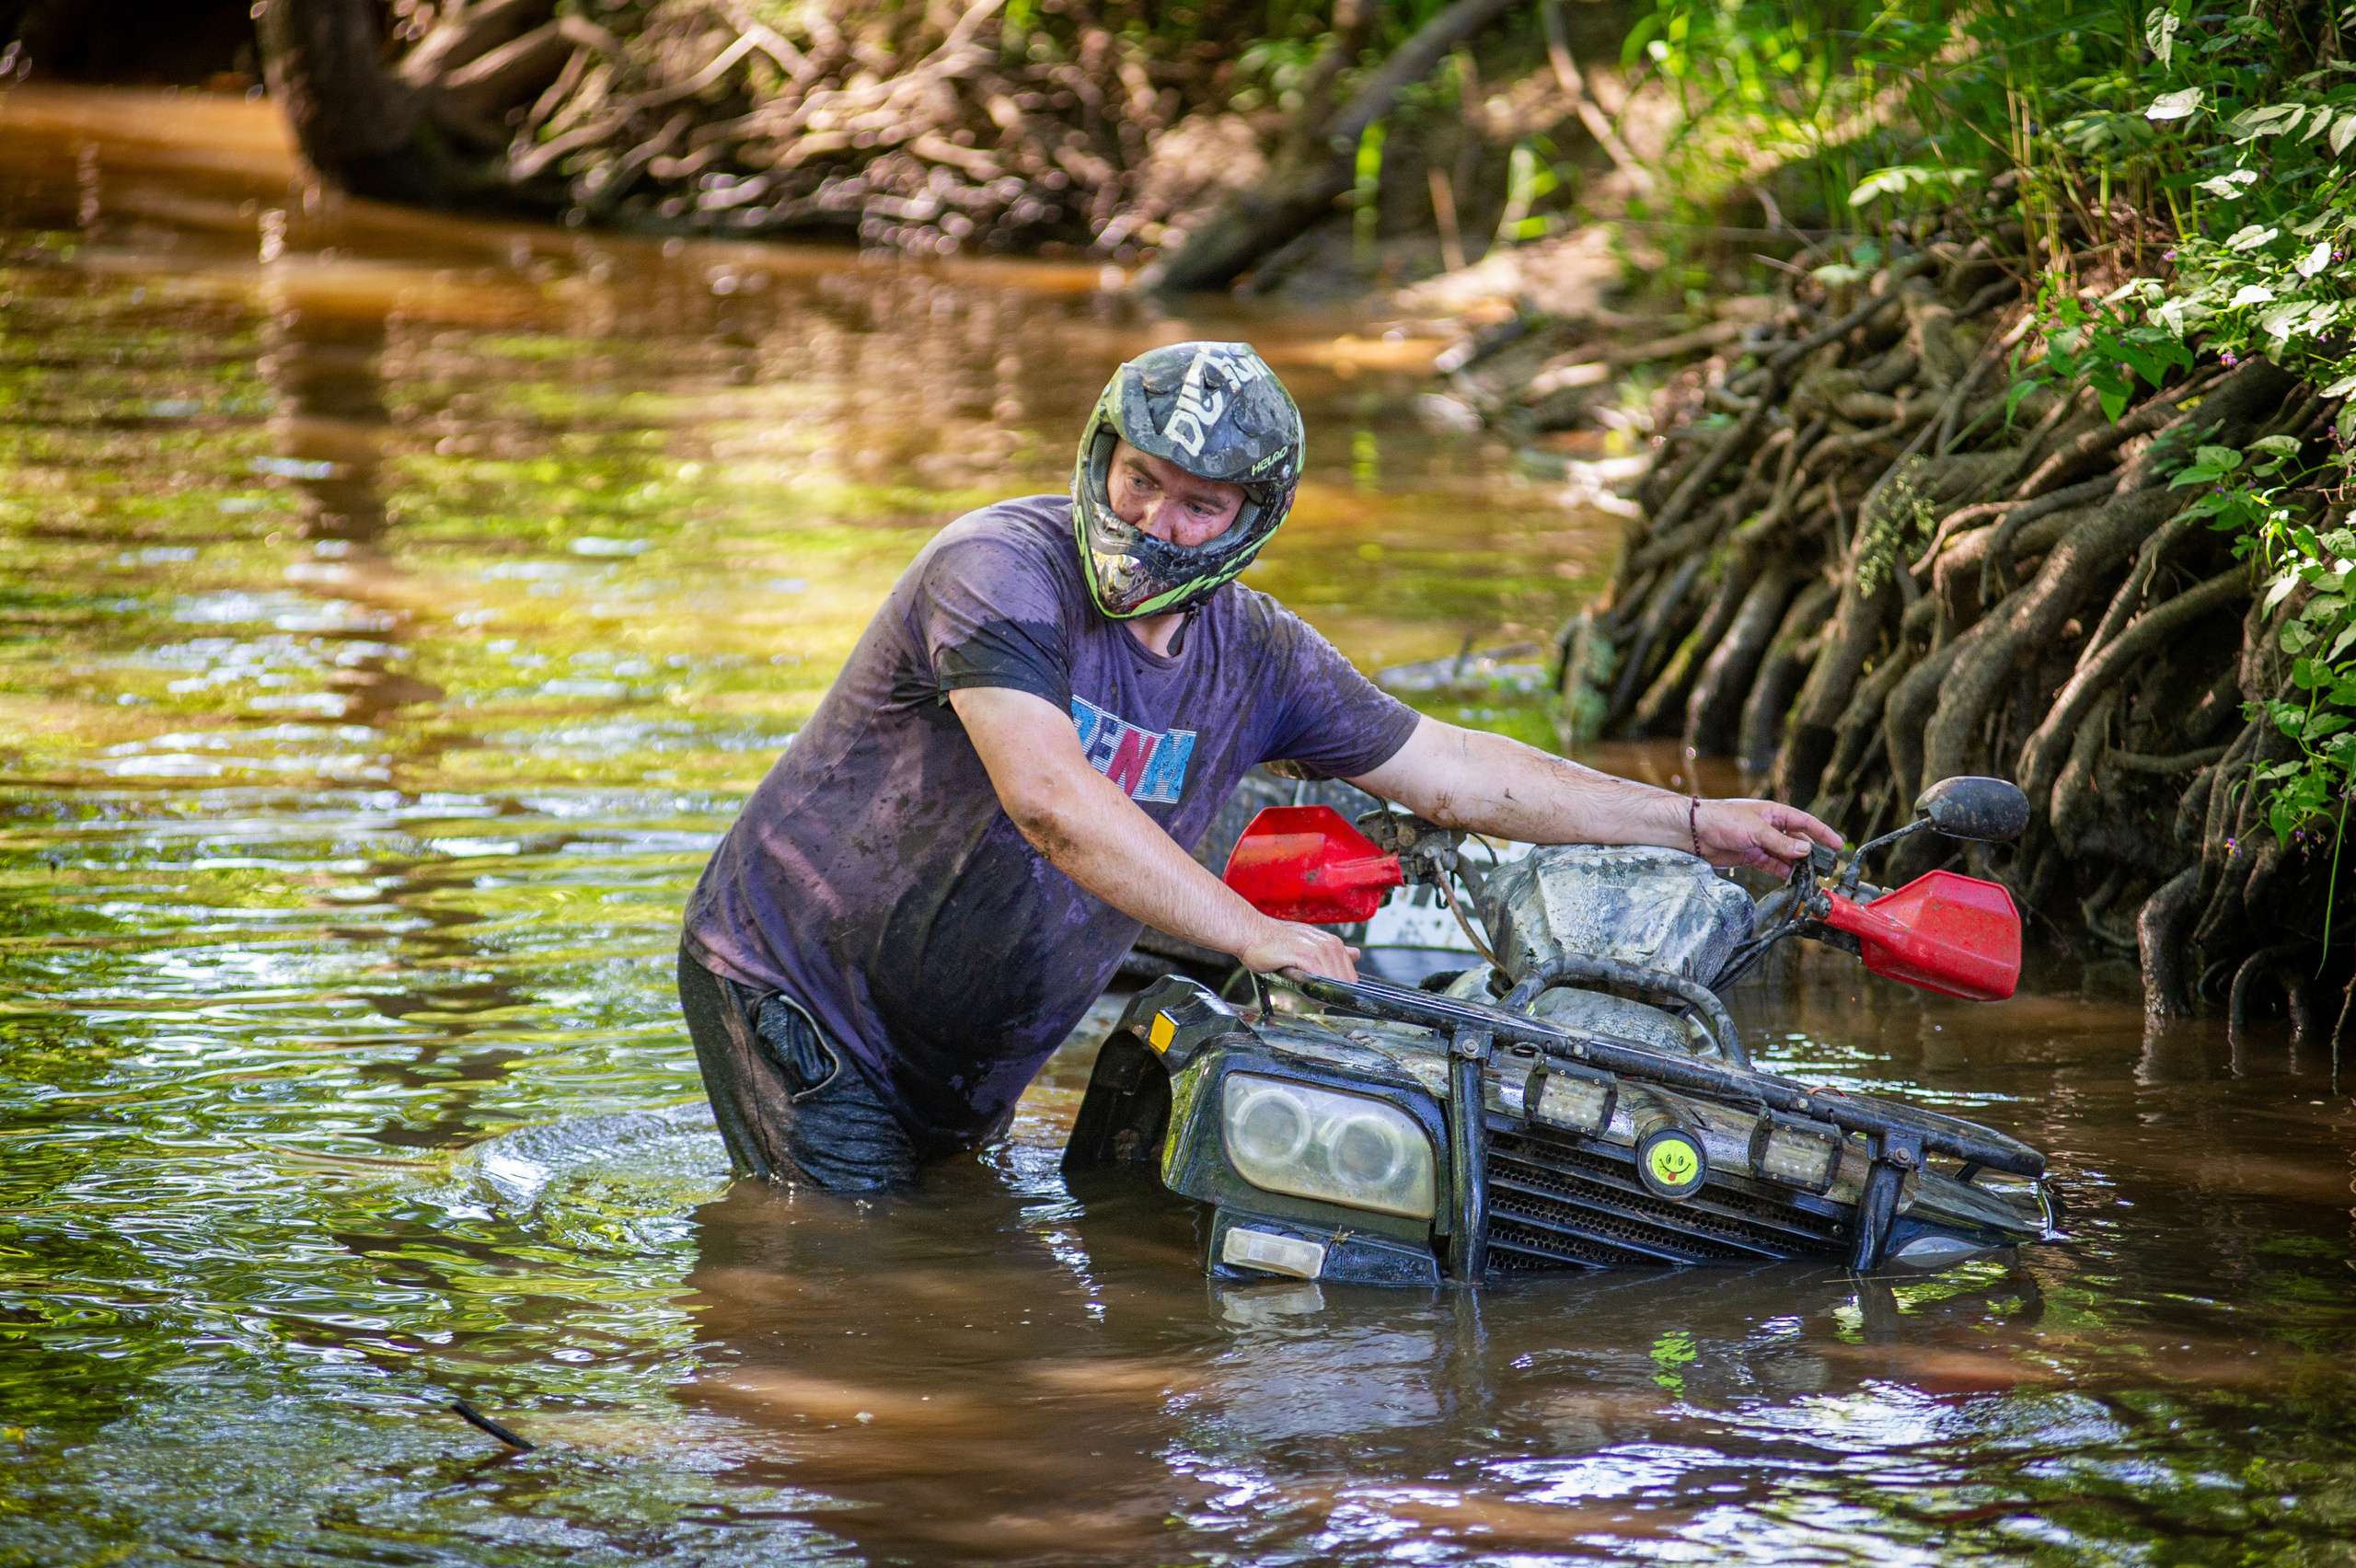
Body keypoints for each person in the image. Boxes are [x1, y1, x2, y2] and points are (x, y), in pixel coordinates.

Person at [678, 340, 1840, 1191]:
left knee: (949, 1251)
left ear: (1248, 517)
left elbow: (1452, 770)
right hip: (799, 986)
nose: (1154, 521)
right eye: (1138, 481)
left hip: (967, 1042)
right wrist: (1252, 933)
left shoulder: (1259, 654)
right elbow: (1049, 803)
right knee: (849, 1293)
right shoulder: (996, 568)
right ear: (1100, 456)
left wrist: (1692, 823)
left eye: (1196, 505)